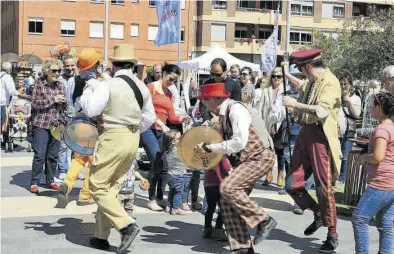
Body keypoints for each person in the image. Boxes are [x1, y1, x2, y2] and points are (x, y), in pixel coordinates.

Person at [80, 44, 155, 253]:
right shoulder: (141, 86)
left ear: (113, 65)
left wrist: (87, 92)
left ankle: (126, 225)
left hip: (113, 136)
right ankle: (100, 237)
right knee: (111, 188)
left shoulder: (108, 84)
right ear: (132, 65)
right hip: (132, 138)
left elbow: (91, 109)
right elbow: (150, 118)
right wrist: (132, 128)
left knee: (96, 185)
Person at [196, 83, 277, 254]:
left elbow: (239, 142)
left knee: (228, 187)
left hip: (260, 157)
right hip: (247, 161)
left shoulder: (236, 110)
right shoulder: (223, 115)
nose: (203, 104)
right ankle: (242, 248)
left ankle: (264, 220)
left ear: (217, 99)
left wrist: (211, 147)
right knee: (226, 200)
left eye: (205, 100)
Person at [282, 49, 341, 252]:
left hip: (320, 138)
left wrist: (295, 103)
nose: (300, 73)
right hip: (305, 135)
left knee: (324, 188)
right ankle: (317, 212)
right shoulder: (312, 81)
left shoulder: (330, 82)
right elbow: (302, 90)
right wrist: (297, 111)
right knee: (291, 184)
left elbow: (323, 110)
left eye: (300, 68)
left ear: (308, 66)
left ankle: (332, 234)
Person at [56, 49, 103, 208]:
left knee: (79, 158)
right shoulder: (97, 82)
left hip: (76, 121)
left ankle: (67, 184)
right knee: (92, 161)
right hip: (92, 124)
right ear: (94, 65)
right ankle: (85, 194)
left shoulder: (73, 81)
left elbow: (70, 102)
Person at [143, 63, 190, 212]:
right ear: (163, 73)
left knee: (164, 166)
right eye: (171, 79)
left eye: (175, 80)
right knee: (156, 162)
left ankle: (158, 197)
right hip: (148, 129)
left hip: (161, 131)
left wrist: (182, 119)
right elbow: (144, 111)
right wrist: (160, 124)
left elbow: (171, 117)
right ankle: (150, 199)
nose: (172, 83)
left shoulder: (169, 93)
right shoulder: (150, 87)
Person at [352, 92, 394, 254]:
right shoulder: (392, 127)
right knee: (385, 224)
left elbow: (377, 156)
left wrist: (364, 158)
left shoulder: (382, 129)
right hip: (391, 184)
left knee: (359, 218)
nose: (370, 108)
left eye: (372, 105)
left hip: (381, 184)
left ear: (378, 106)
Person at [278, 64, 315, 215]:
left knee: (309, 171)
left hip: (312, 136)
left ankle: (303, 201)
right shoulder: (291, 93)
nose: (298, 80)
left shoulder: (314, 90)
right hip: (294, 136)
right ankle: (299, 200)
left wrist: (295, 106)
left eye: (301, 76)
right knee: (294, 168)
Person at [30, 58, 66, 193]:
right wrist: (53, 99)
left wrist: (63, 102)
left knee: (53, 155)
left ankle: (50, 180)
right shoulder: (39, 84)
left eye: (59, 70)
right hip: (40, 123)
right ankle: (34, 181)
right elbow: (34, 103)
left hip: (56, 124)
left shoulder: (61, 85)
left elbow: (63, 106)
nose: (57, 73)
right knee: (40, 154)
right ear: (47, 71)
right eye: (54, 70)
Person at [258, 67, 286, 186]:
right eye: (274, 76)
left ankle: (280, 174)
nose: (276, 79)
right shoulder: (265, 90)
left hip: (281, 123)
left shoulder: (285, 91)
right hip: (267, 122)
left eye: (279, 76)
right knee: (268, 149)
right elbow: (260, 107)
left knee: (280, 150)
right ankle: (268, 173)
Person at [336, 70, 362, 187]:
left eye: (345, 84)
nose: (343, 86)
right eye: (340, 84)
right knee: (335, 156)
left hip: (349, 132)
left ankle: (343, 179)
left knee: (346, 157)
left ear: (350, 84)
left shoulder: (355, 98)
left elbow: (357, 114)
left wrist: (349, 102)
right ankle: (333, 179)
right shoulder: (335, 97)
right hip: (336, 132)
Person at [56, 56, 77, 181]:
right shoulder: (59, 80)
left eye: (72, 65)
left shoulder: (80, 79)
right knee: (63, 144)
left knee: (76, 144)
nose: (69, 68)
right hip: (63, 115)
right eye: (67, 66)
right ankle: (63, 169)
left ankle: (76, 168)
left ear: (75, 65)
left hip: (77, 115)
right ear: (64, 67)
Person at [0, 62, 18, 148]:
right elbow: (11, 91)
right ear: (9, 69)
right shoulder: (7, 77)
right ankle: (5, 141)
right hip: (3, 104)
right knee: (5, 123)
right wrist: (19, 94)